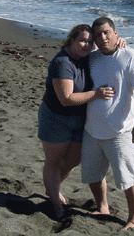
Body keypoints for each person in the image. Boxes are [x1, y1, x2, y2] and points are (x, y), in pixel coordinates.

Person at [81, 17, 134, 230]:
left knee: (128, 178)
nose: (103, 38)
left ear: (115, 33)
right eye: (98, 35)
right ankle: (103, 207)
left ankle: (133, 218)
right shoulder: (92, 58)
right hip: (92, 130)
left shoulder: (131, 57)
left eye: (106, 33)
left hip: (121, 132)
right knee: (93, 175)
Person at [37, 24, 115, 219]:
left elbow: (109, 50)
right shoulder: (62, 62)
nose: (86, 45)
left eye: (90, 42)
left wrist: (120, 42)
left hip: (80, 119)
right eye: (82, 40)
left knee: (74, 160)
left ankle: (52, 186)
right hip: (56, 118)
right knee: (54, 161)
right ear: (71, 40)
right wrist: (96, 94)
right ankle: (56, 205)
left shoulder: (88, 57)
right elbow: (66, 98)